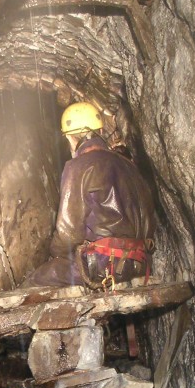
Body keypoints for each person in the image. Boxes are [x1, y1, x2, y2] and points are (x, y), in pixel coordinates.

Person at [23, 102, 155, 289]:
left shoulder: (78, 167)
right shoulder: (129, 165)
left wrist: (55, 256)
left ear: (70, 137)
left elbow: (68, 233)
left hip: (104, 264)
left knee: (38, 279)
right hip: (140, 263)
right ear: (100, 130)